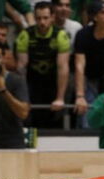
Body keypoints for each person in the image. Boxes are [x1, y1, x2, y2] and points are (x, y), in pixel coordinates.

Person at [16, 1, 72, 129]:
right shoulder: (25, 35)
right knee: (30, 120)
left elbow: (63, 67)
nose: (42, 22)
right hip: (32, 81)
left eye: (45, 18)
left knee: (54, 119)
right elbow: (21, 68)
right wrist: (23, 98)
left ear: (52, 17)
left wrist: (60, 98)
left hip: (53, 81)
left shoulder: (60, 35)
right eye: (39, 18)